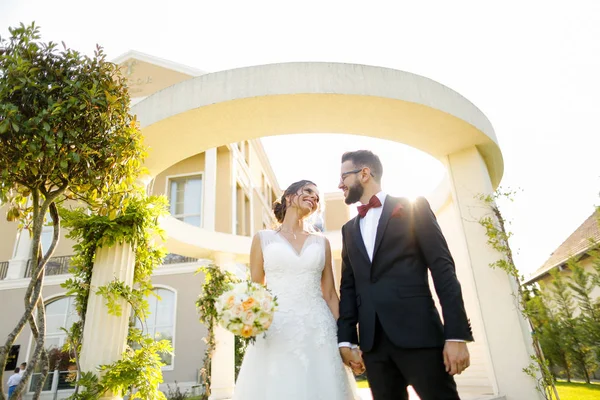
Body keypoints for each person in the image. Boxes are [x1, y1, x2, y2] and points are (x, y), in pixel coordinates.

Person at [337, 150, 473, 400]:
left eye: (343, 176)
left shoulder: (413, 207)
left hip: (420, 335)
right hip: (373, 346)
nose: (339, 184)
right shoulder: (348, 230)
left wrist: (456, 334)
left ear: (364, 173)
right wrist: (347, 340)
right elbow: (348, 287)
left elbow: (443, 270)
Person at [233, 180, 358, 400]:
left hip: (318, 328)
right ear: (289, 197)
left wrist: (346, 339)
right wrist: (250, 320)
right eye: (308, 191)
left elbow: (329, 293)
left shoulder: (322, 243)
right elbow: (255, 288)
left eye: (317, 197)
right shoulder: (262, 239)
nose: (314, 198)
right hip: (276, 327)